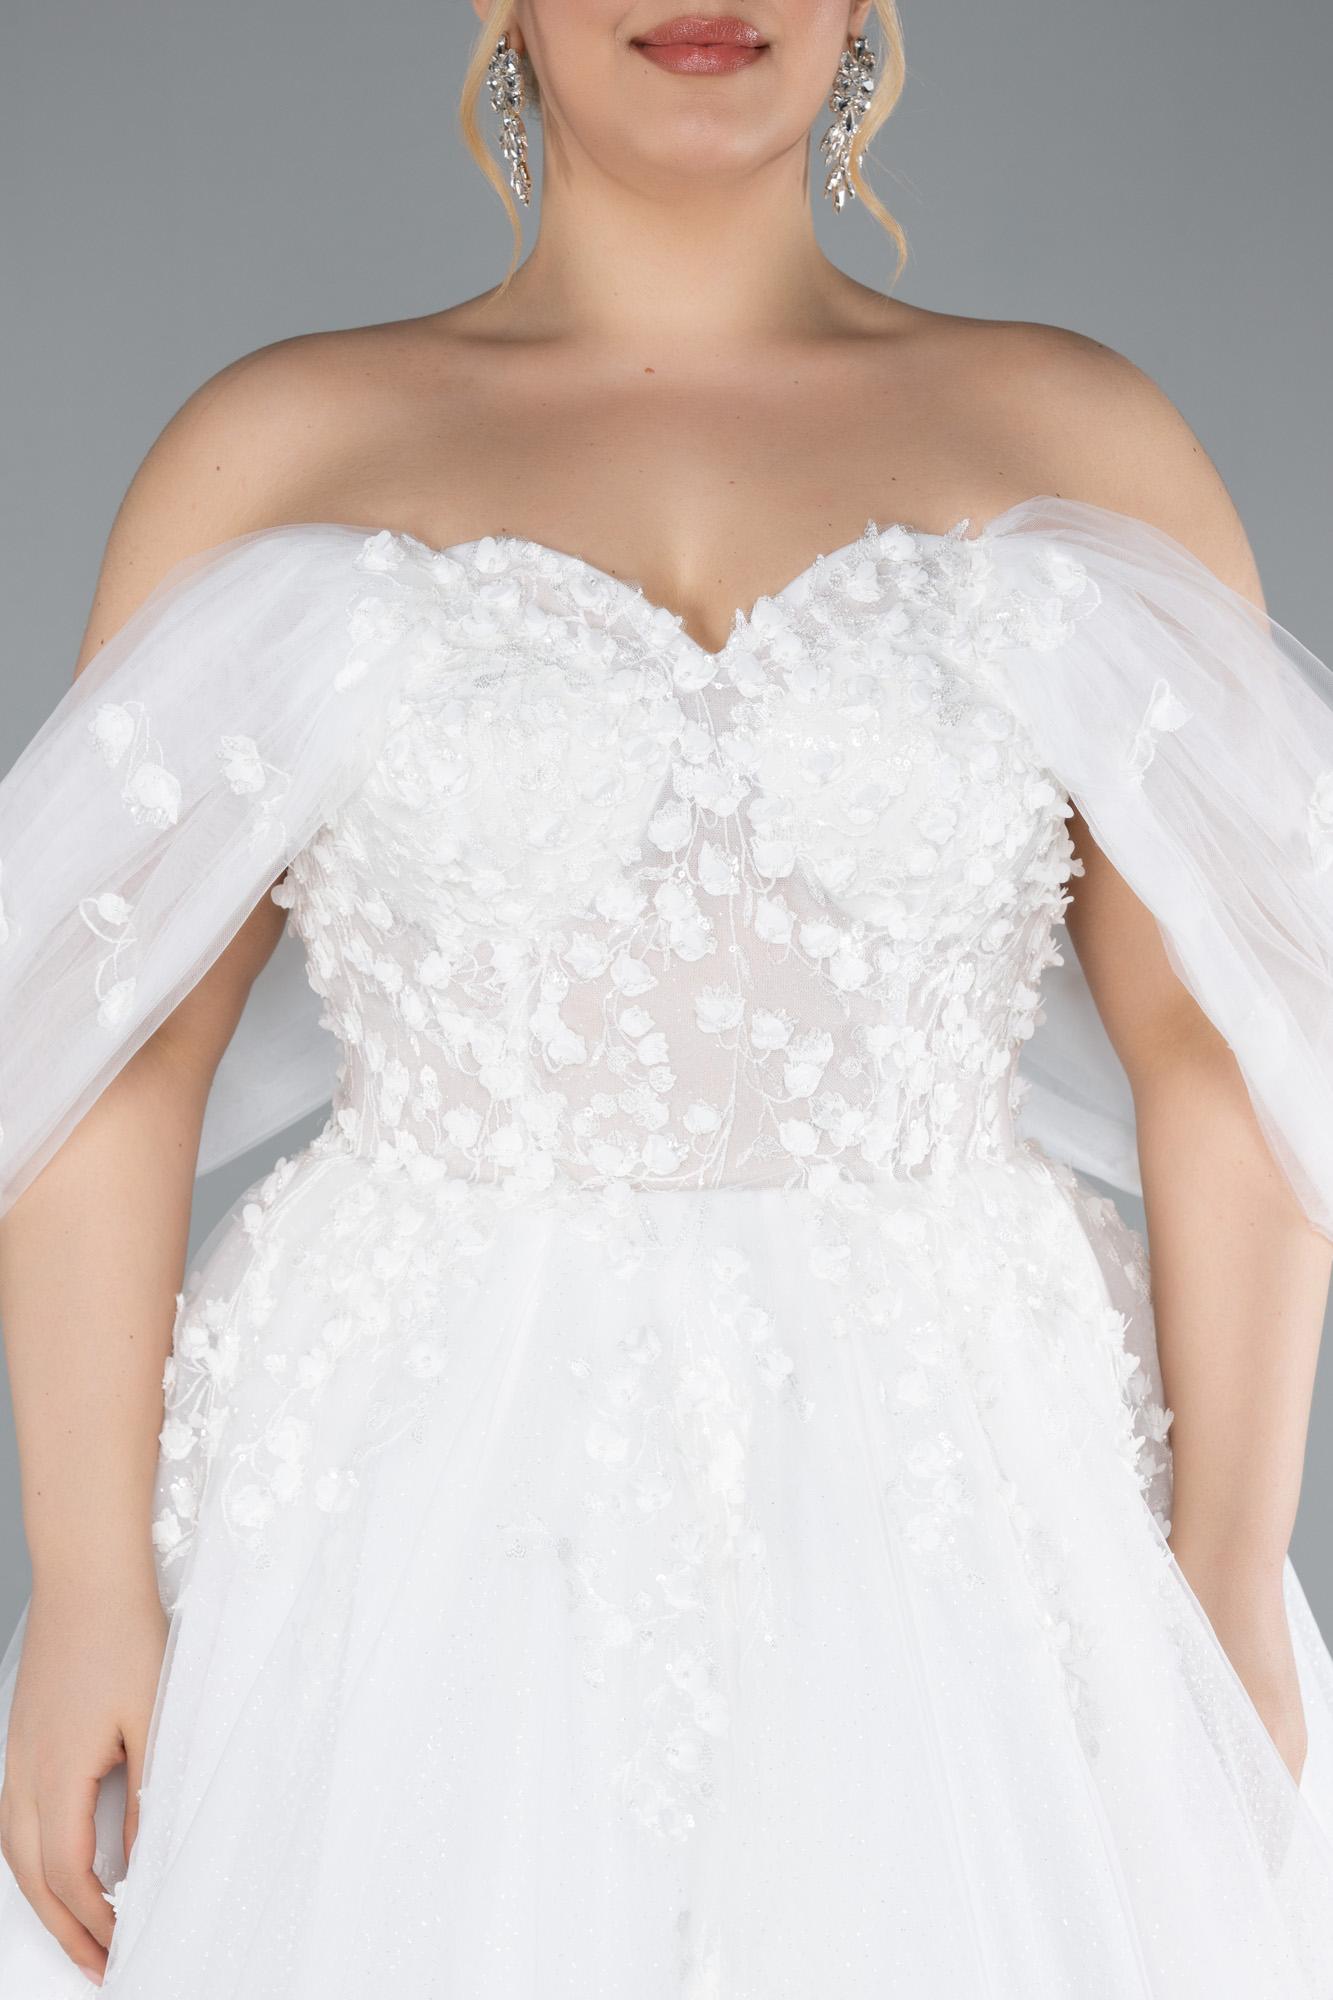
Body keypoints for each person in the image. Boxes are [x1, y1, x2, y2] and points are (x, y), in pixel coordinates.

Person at [1, 0, 1332, 1991]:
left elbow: (1224, 1037)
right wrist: (89, 1575)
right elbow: (110, 1045)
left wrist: (1226, 1558)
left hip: (974, 1500)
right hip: (404, 1500)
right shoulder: (282, 450)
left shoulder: (1074, 440)